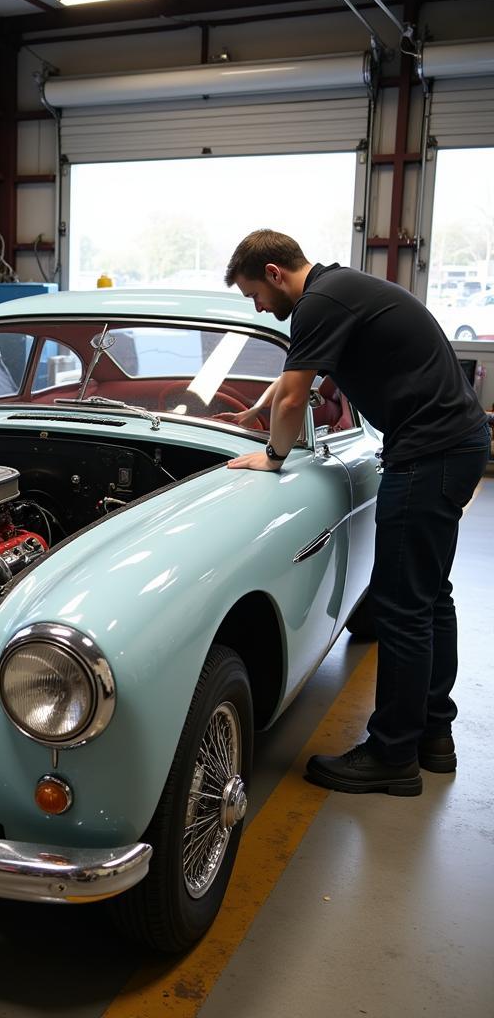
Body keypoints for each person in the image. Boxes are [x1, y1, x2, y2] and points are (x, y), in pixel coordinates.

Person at [224, 229, 490, 796]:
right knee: (428, 597)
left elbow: (298, 396)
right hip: (456, 444)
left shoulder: (317, 303)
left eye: (255, 296)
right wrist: (268, 400)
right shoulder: (341, 290)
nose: (259, 308)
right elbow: (295, 382)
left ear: (274, 273)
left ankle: (392, 755)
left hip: (427, 454)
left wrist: (272, 456)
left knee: (400, 607)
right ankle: (432, 736)